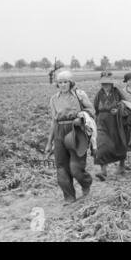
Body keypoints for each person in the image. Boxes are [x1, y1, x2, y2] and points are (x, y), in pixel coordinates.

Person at [45, 70, 94, 205]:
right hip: (60, 132)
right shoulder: (54, 99)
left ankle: (85, 183)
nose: (63, 85)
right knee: (61, 167)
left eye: (65, 82)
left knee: (75, 167)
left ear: (71, 82)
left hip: (76, 130)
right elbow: (54, 121)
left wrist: (81, 117)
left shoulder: (79, 95)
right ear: (57, 84)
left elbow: (91, 110)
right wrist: (49, 142)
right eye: (60, 82)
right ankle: (69, 196)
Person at [93, 71, 131, 179]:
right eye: (103, 83)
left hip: (116, 122)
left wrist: (118, 108)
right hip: (102, 123)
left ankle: (122, 165)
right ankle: (103, 171)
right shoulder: (99, 94)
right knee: (101, 143)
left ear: (112, 83)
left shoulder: (117, 92)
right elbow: (95, 109)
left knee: (119, 143)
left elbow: (127, 104)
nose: (106, 85)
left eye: (108, 83)